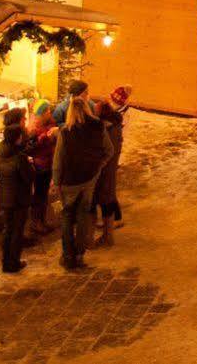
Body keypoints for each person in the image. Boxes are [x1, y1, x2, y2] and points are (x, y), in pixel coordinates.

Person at [52, 94, 114, 270]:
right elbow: (109, 151)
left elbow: (58, 160)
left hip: (69, 181)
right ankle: (79, 254)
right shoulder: (98, 127)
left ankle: (67, 256)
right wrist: (98, 167)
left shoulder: (65, 132)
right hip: (89, 179)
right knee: (83, 215)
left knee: (67, 216)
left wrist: (56, 181)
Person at [93, 85, 131, 244]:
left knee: (107, 193)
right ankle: (113, 221)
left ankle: (115, 220)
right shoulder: (115, 120)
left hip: (108, 164)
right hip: (111, 161)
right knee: (109, 191)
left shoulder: (111, 125)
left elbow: (109, 146)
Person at [0, 118, 30, 274]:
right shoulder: (19, 157)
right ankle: (13, 262)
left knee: (7, 230)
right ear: (17, 138)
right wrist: (30, 163)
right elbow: (29, 176)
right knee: (17, 231)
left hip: (4, 198)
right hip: (19, 199)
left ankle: (5, 262)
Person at [25, 101, 58, 238]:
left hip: (48, 163)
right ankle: (36, 222)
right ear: (42, 114)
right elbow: (31, 149)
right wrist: (45, 138)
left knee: (43, 195)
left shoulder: (50, 123)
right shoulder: (33, 130)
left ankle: (42, 221)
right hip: (40, 166)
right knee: (39, 195)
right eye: (47, 111)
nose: (49, 113)